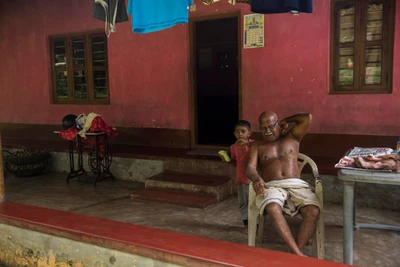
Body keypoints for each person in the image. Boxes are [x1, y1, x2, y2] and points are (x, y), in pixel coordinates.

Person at [245, 111, 320, 256]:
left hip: (296, 184)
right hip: (272, 185)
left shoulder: (292, 137)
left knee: (313, 211)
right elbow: (250, 168)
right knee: (273, 208)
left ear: (279, 124)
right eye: (263, 128)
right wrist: (256, 178)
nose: (267, 131)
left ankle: (294, 253)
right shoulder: (257, 146)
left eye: (271, 126)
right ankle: (298, 254)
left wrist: (288, 119)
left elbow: (307, 117)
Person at [220, 120, 254, 234]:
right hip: (241, 179)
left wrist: (248, 145)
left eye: (243, 131)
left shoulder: (254, 145)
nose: (240, 134)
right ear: (234, 134)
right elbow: (236, 162)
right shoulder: (233, 147)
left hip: (253, 180)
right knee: (243, 203)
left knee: (253, 203)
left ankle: (256, 224)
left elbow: (259, 156)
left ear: (249, 133)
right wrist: (227, 160)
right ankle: (247, 225)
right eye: (237, 132)